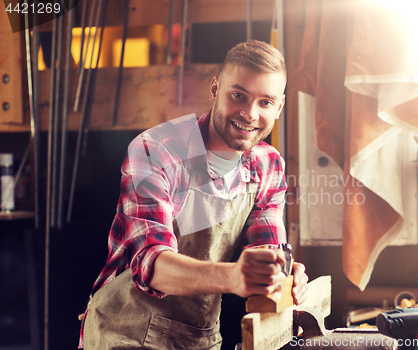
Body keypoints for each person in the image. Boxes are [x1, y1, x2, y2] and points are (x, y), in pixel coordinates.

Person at [80, 39, 308, 350]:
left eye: (265, 102)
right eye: (238, 95)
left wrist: (281, 275)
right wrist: (234, 277)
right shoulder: (156, 150)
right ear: (215, 90)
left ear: (279, 107)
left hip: (197, 338)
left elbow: (267, 254)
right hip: (124, 332)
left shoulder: (268, 165)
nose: (250, 114)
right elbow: (153, 265)